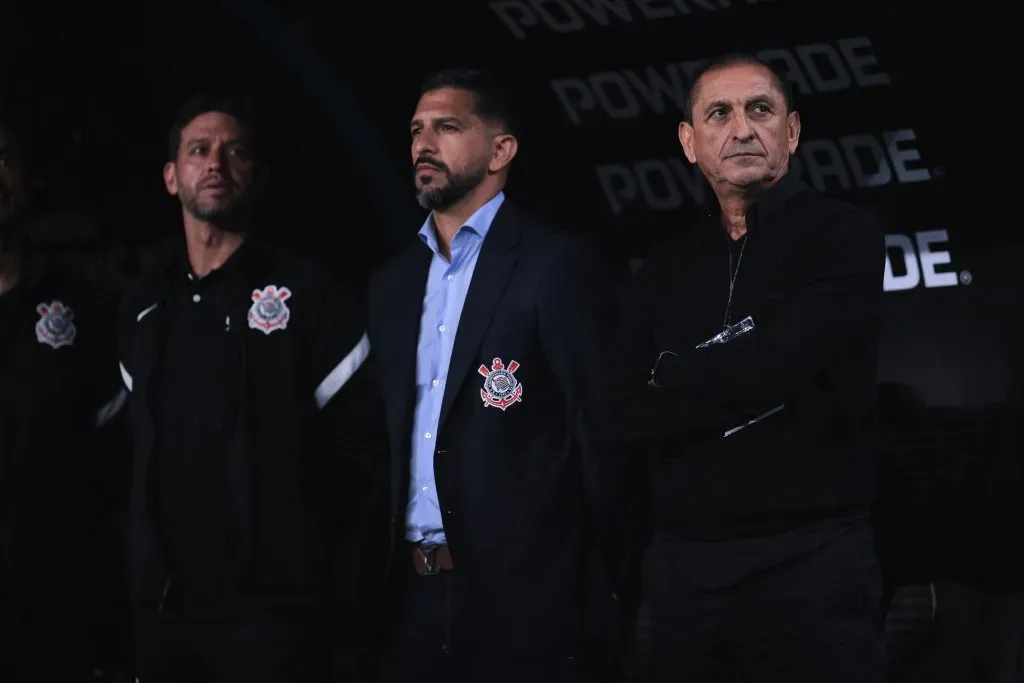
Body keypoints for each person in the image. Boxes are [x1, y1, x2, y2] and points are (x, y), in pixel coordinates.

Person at [612, 54, 887, 682]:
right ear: (690, 142)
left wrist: (674, 373)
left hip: (814, 562)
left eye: (760, 110)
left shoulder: (844, 235)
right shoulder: (660, 268)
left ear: (791, 132)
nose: (741, 129)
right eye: (719, 113)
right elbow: (621, 405)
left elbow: (787, 361)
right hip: (685, 573)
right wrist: (752, 370)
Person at [118, 94, 386, 683]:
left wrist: (347, 618)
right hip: (167, 617)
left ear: (257, 177)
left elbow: (363, 470)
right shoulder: (143, 305)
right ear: (172, 177)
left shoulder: (310, 296)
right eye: (199, 150)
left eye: (234, 151)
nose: (216, 162)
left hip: (277, 624)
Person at [367, 68, 622, 682]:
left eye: (448, 127)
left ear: (501, 150)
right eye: (416, 130)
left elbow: (602, 436)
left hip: (527, 604)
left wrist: (605, 587)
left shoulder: (554, 265)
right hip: (406, 601)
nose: (424, 144)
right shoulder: (391, 284)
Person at [0, 106, 129, 681]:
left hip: (58, 610)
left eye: (3, 158)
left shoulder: (83, 306)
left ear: (27, 177)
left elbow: (116, 464)